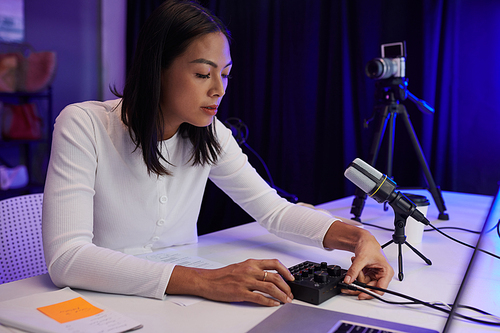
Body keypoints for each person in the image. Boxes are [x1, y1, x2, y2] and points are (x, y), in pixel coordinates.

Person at [42, 0, 393, 307]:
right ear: (158, 69)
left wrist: (361, 239)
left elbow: (275, 212)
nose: (218, 89)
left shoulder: (209, 134)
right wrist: (204, 281)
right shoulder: (84, 125)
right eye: (202, 73)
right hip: (102, 302)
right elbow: (67, 259)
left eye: (224, 75)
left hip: (179, 305)